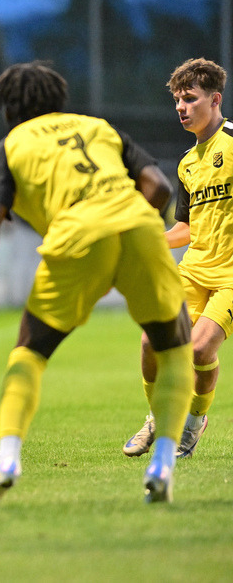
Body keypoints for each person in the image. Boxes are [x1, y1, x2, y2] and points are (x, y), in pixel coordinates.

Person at [0, 61, 194, 504]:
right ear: (58, 99)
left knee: (30, 351)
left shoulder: (7, 149)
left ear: (9, 110)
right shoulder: (98, 127)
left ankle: (7, 458)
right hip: (140, 226)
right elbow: (159, 187)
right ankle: (163, 463)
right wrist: (124, 236)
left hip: (75, 236)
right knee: (173, 344)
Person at [122, 58, 231, 461]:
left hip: (231, 277)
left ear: (214, 99)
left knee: (200, 350)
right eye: (177, 101)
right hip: (194, 269)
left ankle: (193, 421)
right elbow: (186, 227)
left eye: (190, 99)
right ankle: (158, 416)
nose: (181, 108)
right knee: (152, 342)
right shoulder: (187, 163)